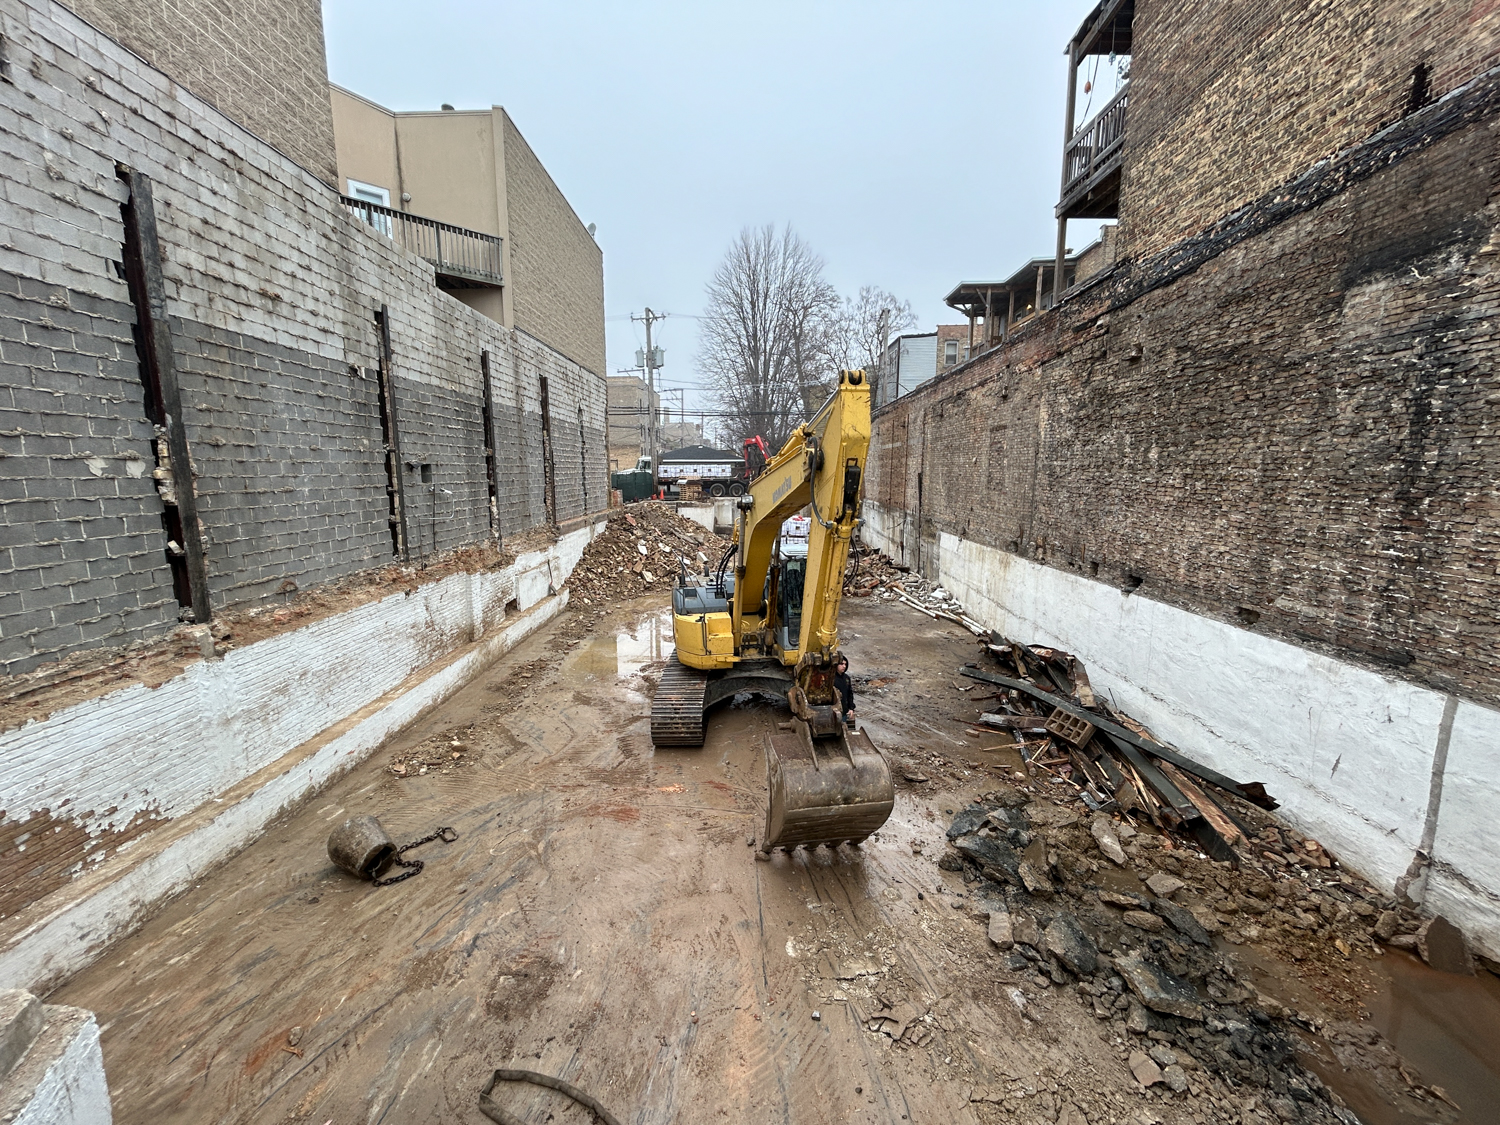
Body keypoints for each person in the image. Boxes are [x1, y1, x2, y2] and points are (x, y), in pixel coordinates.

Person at [832, 656, 855, 728]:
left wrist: (851, 708)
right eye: (841, 664)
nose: (844, 666)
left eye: (845, 664)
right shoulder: (831, 678)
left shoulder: (846, 678)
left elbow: (849, 694)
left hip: (844, 711)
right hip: (833, 712)